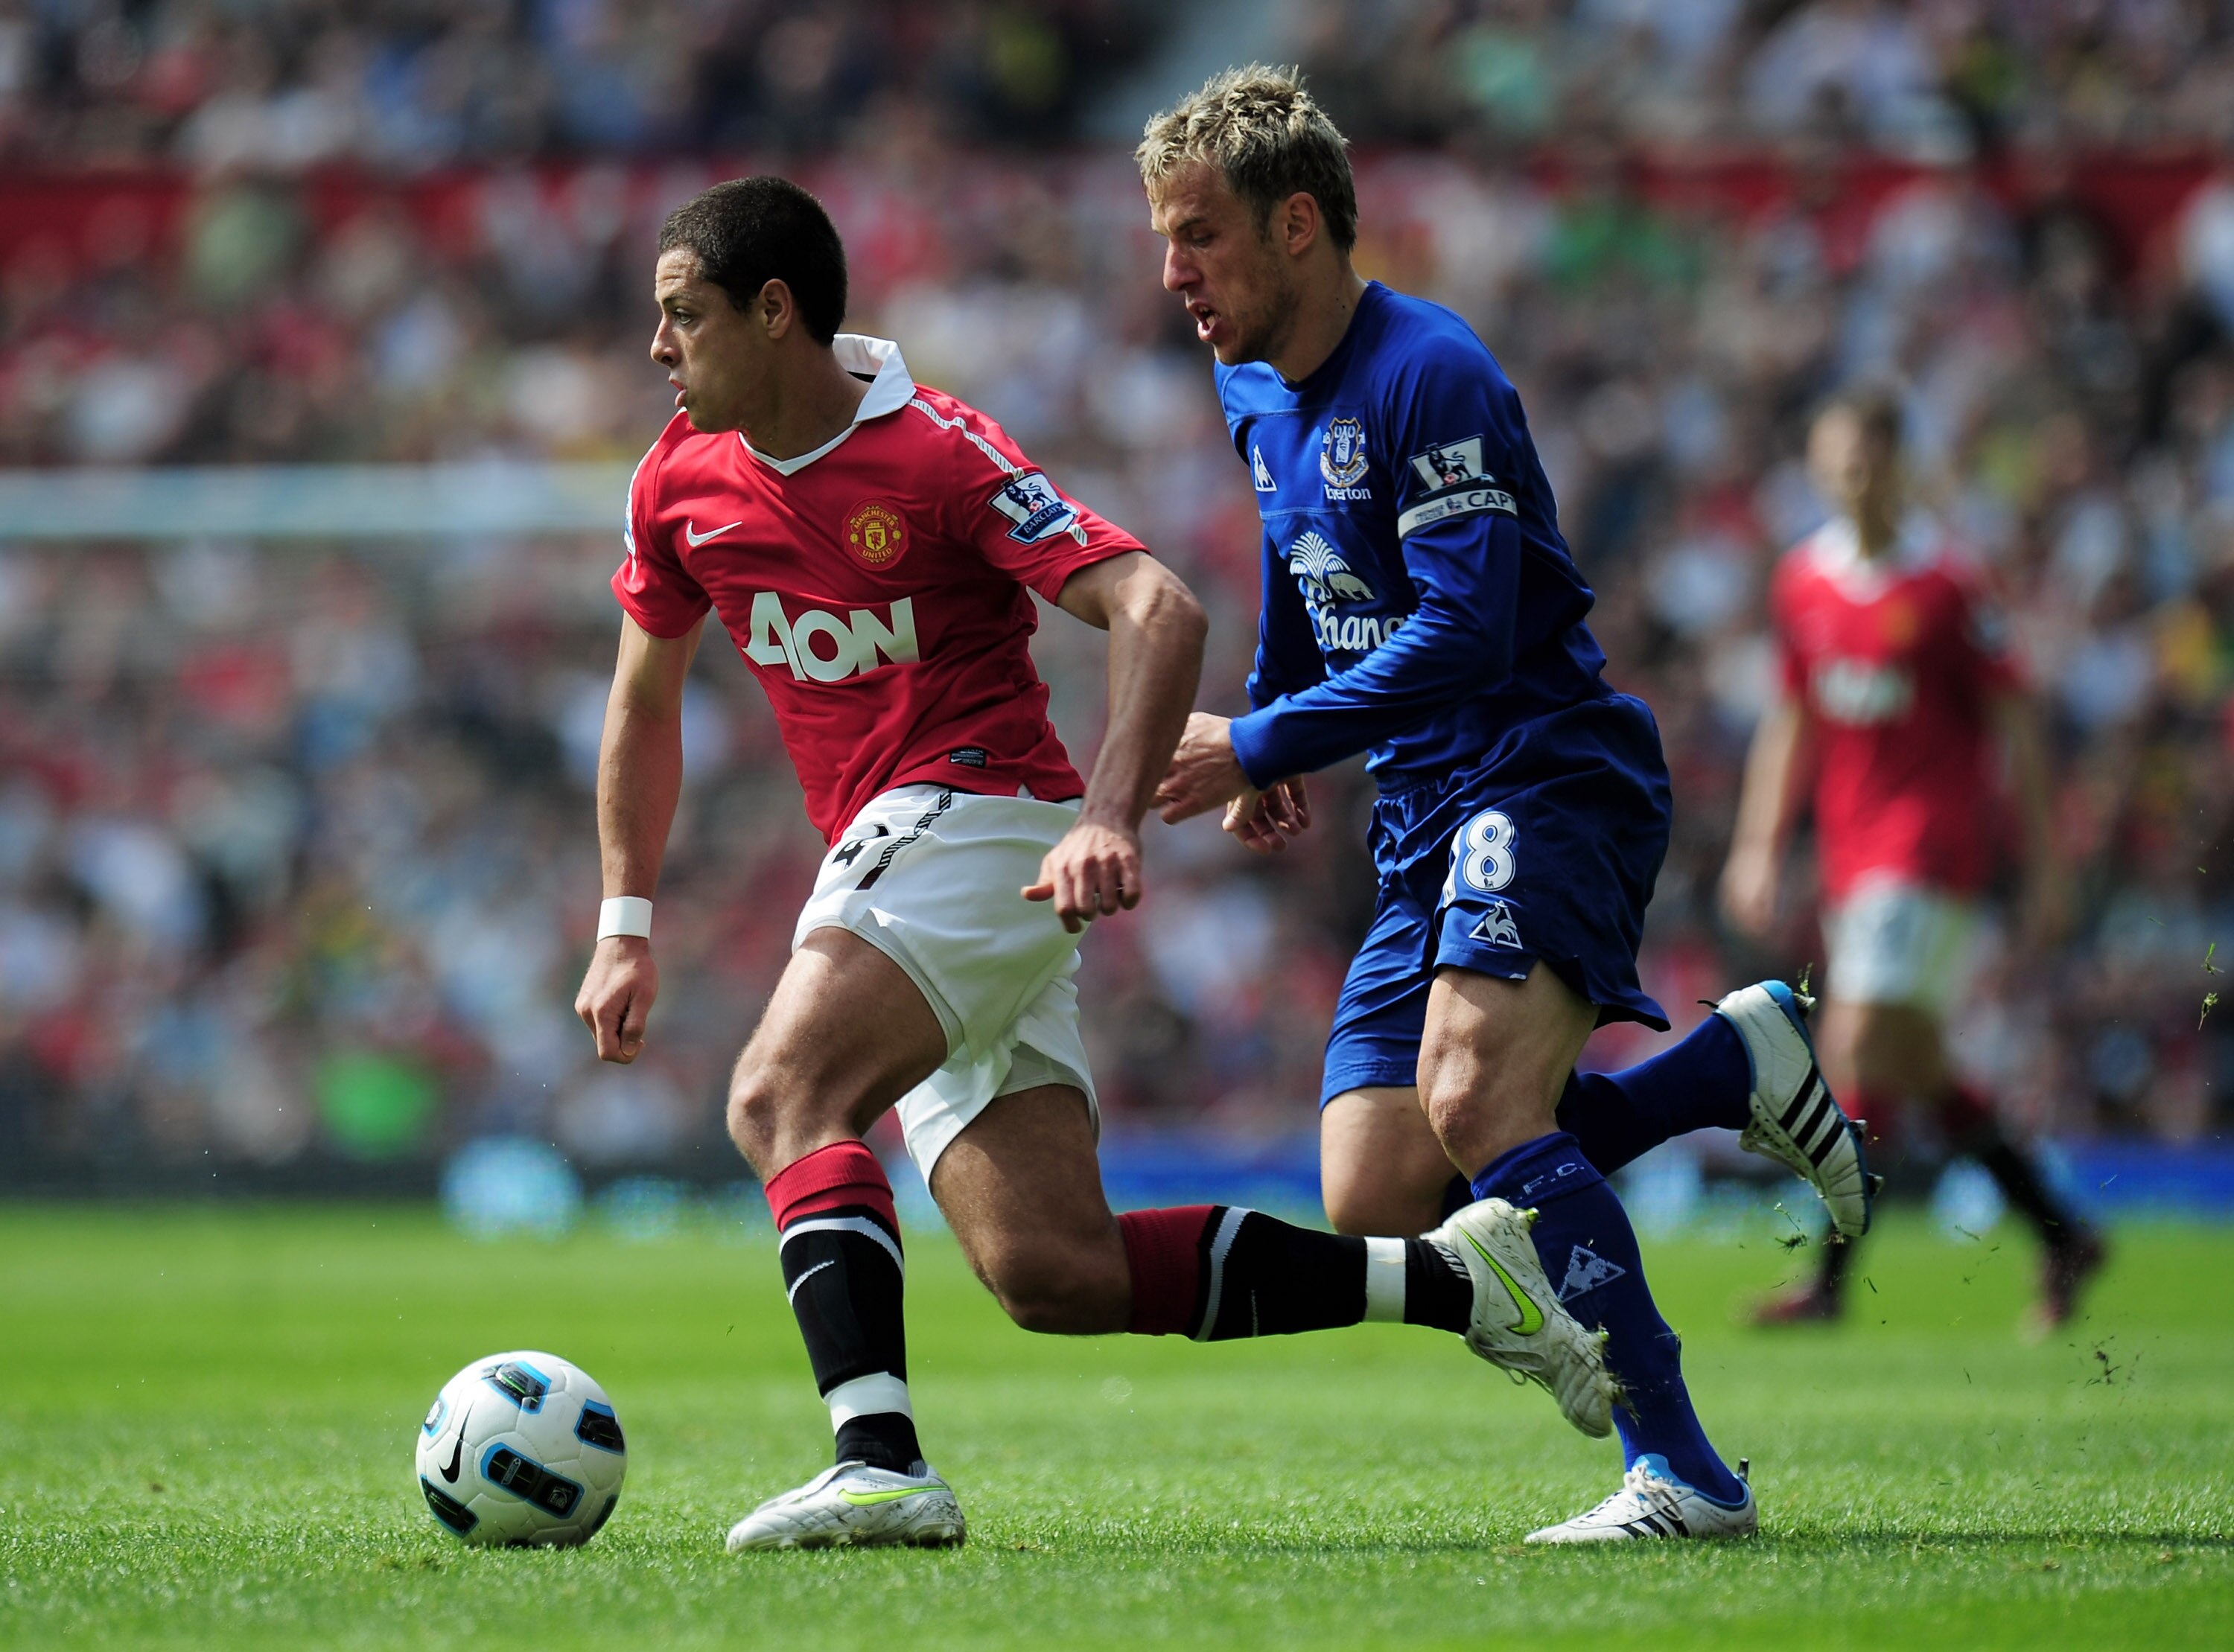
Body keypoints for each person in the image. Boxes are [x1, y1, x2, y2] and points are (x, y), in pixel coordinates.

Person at [573, 176, 1619, 1555]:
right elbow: (645, 702)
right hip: (897, 856)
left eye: (681, 317)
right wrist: (624, 918)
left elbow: (1154, 600)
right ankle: (1461, 1283)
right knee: (1055, 1268)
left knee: (781, 1092)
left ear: (774, 313)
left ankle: (877, 1458)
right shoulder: (678, 478)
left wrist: (1110, 813)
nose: (658, 350)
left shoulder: (936, 453)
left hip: (982, 814)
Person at [1140, 66, 1872, 1545]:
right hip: (1420, 804)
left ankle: (1682, 1466)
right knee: (1379, 1185)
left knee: (1480, 1102)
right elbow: (1306, 563)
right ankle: (1725, 1068)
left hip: (1540, 762)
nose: (1173, 275)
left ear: (1297, 225)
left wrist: (1265, 729)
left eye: (1197, 236)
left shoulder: (1433, 374)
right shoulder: (1254, 389)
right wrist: (1282, 733)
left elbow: (1470, 634)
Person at [1721, 386, 2106, 1330]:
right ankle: (2064, 1234)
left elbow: (2017, 723)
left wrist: (2048, 864)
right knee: (1916, 1064)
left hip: (1933, 847)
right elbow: (1794, 720)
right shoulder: (1804, 581)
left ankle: (1831, 1283)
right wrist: (1758, 844)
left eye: (1868, 460)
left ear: (1899, 464)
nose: (1853, 478)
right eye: (1836, 461)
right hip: (1855, 855)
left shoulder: (1948, 584)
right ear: (1816, 466)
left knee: (1855, 1043)